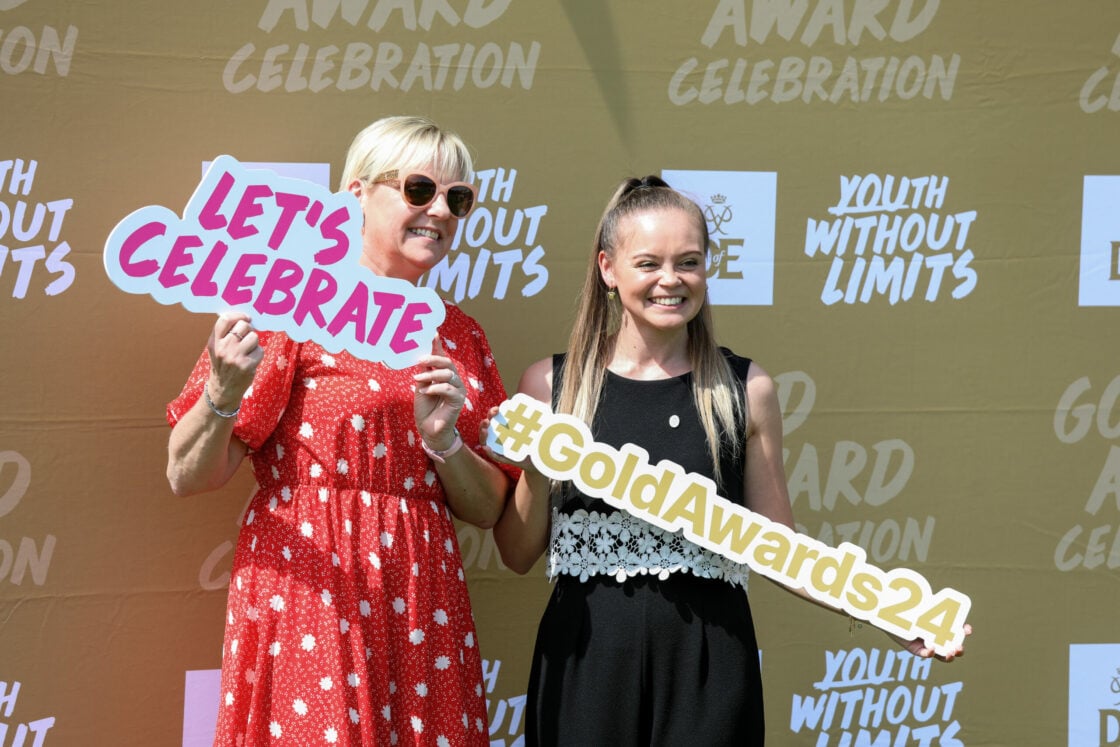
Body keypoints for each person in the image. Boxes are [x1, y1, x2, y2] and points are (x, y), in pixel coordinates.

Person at [488, 176, 968, 746]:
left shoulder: (745, 388)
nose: (671, 280)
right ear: (608, 268)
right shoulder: (550, 385)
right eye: (649, 263)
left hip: (709, 658)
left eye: (688, 261)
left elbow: (780, 549)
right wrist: (543, 459)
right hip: (587, 654)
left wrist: (891, 613)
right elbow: (516, 553)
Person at [166, 115, 516, 746]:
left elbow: (489, 508)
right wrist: (221, 393)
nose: (439, 211)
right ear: (356, 193)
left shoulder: (461, 337)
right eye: (418, 190)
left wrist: (445, 445)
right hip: (311, 580)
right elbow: (187, 475)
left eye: (456, 199)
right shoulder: (290, 305)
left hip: (420, 590)